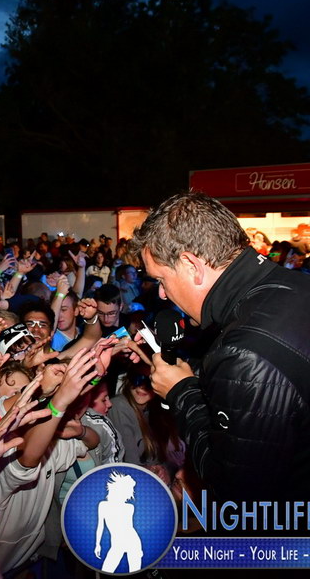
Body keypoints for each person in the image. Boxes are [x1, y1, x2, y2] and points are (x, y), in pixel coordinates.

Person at [130, 191, 310, 503]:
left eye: (161, 279)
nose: (161, 294)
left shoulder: (245, 352)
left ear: (191, 265)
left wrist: (181, 393)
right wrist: (195, 372)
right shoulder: (293, 285)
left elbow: (237, 491)